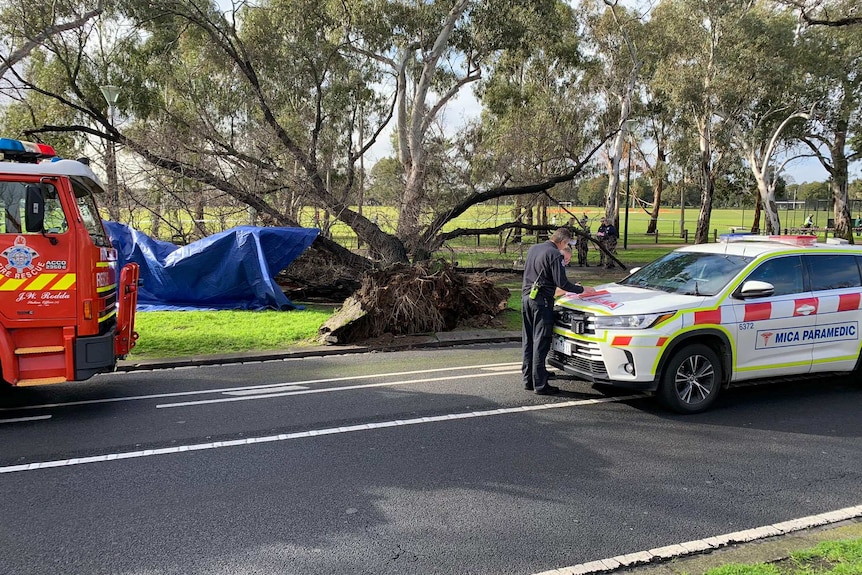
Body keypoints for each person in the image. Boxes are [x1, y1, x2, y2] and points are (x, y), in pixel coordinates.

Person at [522, 228, 595, 395]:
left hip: (526, 298)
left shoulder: (534, 248)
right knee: (541, 342)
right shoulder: (555, 254)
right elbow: (562, 283)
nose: (566, 247)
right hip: (542, 302)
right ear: (563, 242)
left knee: (529, 341)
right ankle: (540, 384)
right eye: (567, 244)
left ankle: (528, 379)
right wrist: (582, 289)